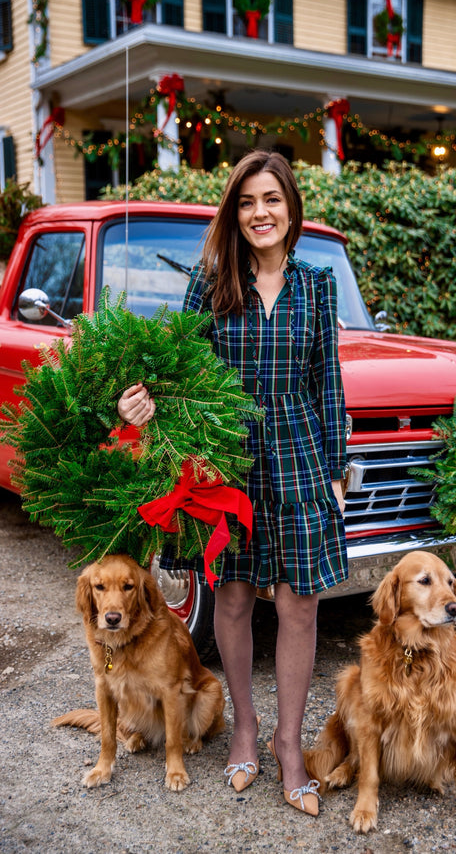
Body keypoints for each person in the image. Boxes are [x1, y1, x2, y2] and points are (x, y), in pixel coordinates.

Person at [117, 150, 348, 817]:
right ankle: (245, 729)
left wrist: (335, 471)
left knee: (300, 603)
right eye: (247, 202)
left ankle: (288, 744)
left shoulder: (317, 283)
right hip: (230, 463)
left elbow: (326, 384)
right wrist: (143, 403)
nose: (260, 213)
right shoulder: (211, 282)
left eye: (271, 198)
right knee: (237, 597)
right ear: (233, 213)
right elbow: (176, 369)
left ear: (291, 206)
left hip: (302, 456)